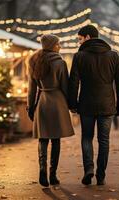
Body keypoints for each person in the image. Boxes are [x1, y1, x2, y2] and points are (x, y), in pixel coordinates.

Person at [68, 25, 119, 186]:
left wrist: (72, 104)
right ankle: (101, 175)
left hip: (86, 104)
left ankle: (88, 169)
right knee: (104, 140)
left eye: (80, 39)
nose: (79, 42)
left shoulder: (79, 57)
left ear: (87, 37)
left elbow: (74, 82)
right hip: (107, 105)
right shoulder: (113, 56)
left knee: (87, 137)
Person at [27, 34, 75, 187]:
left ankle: (42, 171)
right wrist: (70, 104)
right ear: (52, 45)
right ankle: (53, 174)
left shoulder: (33, 61)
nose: (59, 46)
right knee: (56, 140)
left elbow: (31, 88)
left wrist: (30, 106)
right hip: (57, 102)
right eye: (58, 44)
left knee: (43, 139)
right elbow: (65, 86)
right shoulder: (60, 63)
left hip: (42, 101)